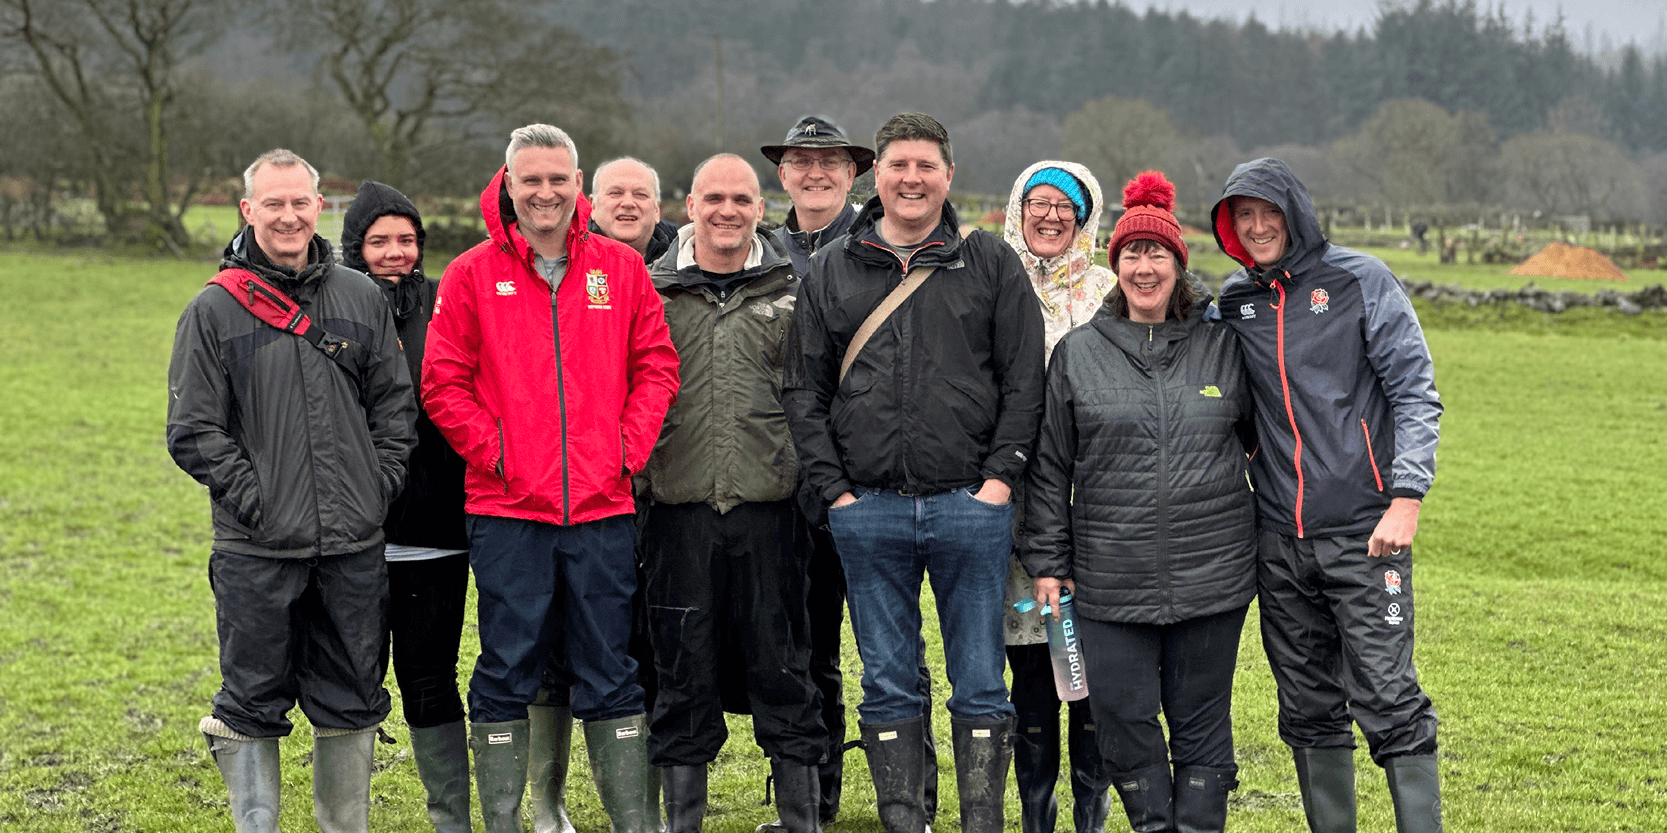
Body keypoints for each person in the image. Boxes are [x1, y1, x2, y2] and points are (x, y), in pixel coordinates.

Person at [784, 112, 1045, 833]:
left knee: (980, 680)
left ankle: (981, 821)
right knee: (888, 677)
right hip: (866, 507)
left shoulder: (989, 261)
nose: (910, 178)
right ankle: (904, 818)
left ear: (948, 175)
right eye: (897, 164)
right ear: (878, 173)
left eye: (925, 165)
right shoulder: (835, 266)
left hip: (970, 504)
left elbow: (1025, 381)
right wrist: (835, 489)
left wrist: (997, 481)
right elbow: (802, 389)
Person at [422, 123, 680, 833]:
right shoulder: (472, 273)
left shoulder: (620, 271)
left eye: (557, 179)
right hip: (508, 512)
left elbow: (656, 366)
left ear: (578, 186)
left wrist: (623, 453)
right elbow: (442, 382)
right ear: (508, 184)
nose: (544, 192)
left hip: (601, 508)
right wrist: (501, 455)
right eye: (530, 179)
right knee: (507, 663)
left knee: (611, 667)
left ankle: (632, 820)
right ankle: (506, 820)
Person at [167, 149, 416, 833]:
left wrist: (374, 489)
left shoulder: (361, 298)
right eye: (272, 203)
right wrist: (264, 504)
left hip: (352, 546)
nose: (287, 215)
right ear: (247, 210)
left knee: (353, 700)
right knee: (250, 702)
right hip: (256, 549)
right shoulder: (212, 311)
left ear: (318, 207)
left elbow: (395, 412)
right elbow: (193, 431)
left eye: (299, 201)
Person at [1211, 157, 1444, 833]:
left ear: (1295, 212)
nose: (1256, 227)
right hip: (1279, 538)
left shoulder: (1358, 279)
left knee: (1387, 694)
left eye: (1267, 213)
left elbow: (1413, 391)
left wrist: (1405, 497)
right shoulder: (1233, 302)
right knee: (1307, 705)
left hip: (1366, 529)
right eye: (1241, 216)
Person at [1024, 171, 1258, 833]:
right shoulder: (1078, 356)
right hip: (1107, 579)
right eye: (1131, 253)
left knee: (1201, 723)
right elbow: (1049, 468)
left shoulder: (1222, 350)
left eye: (1158, 253)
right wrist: (1048, 561)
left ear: (1179, 265)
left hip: (1212, 577)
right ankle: (1153, 823)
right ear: (1114, 263)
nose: (1144, 265)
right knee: (1122, 719)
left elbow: (1265, 447)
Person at [641, 153, 827, 833]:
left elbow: (816, 396)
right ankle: (681, 821)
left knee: (784, 669)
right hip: (676, 509)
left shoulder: (795, 290)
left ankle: (800, 818)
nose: (727, 210)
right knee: (681, 672)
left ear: (759, 207)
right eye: (713, 197)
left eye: (740, 199)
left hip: (771, 510)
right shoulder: (649, 290)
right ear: (689, 204)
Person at [762, 114, 932, 829]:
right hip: (779, 480)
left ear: (854, 172)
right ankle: (815, 798)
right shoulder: (760, 251)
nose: (815, 173)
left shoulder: (879, 248)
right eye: (801, 162)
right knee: (801, 646)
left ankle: (915, 799)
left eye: (830, 162)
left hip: (866, 474)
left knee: (891, 647)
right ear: (782, 174)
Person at [337, 180, 473, 833]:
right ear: (355, 247)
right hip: (349, 537)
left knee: (431, 678)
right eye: (379, 240)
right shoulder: (328, 310)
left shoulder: (449, 301)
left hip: (436, 530)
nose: (395, 252)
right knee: (348, 685)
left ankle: (451, 817)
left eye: (407, 239)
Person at [998, 161, 1118, 833]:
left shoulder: (1107, 290)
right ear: (1018, 209)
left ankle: (1089, 816)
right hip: (1014, 510)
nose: (1049, 217)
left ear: (1083, 216)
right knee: (1033, 680)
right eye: (1037, 203)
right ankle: (1035, 815)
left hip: (1097, 511)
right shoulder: (991, 283)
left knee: (1093, 676)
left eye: (1063, 206)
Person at [591, 156, 677, 264]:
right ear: (593, 206)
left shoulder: (686, 263)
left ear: (656, 210)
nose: (628, 203)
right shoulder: (568, 259)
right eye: (616, 193)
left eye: (640, 194)